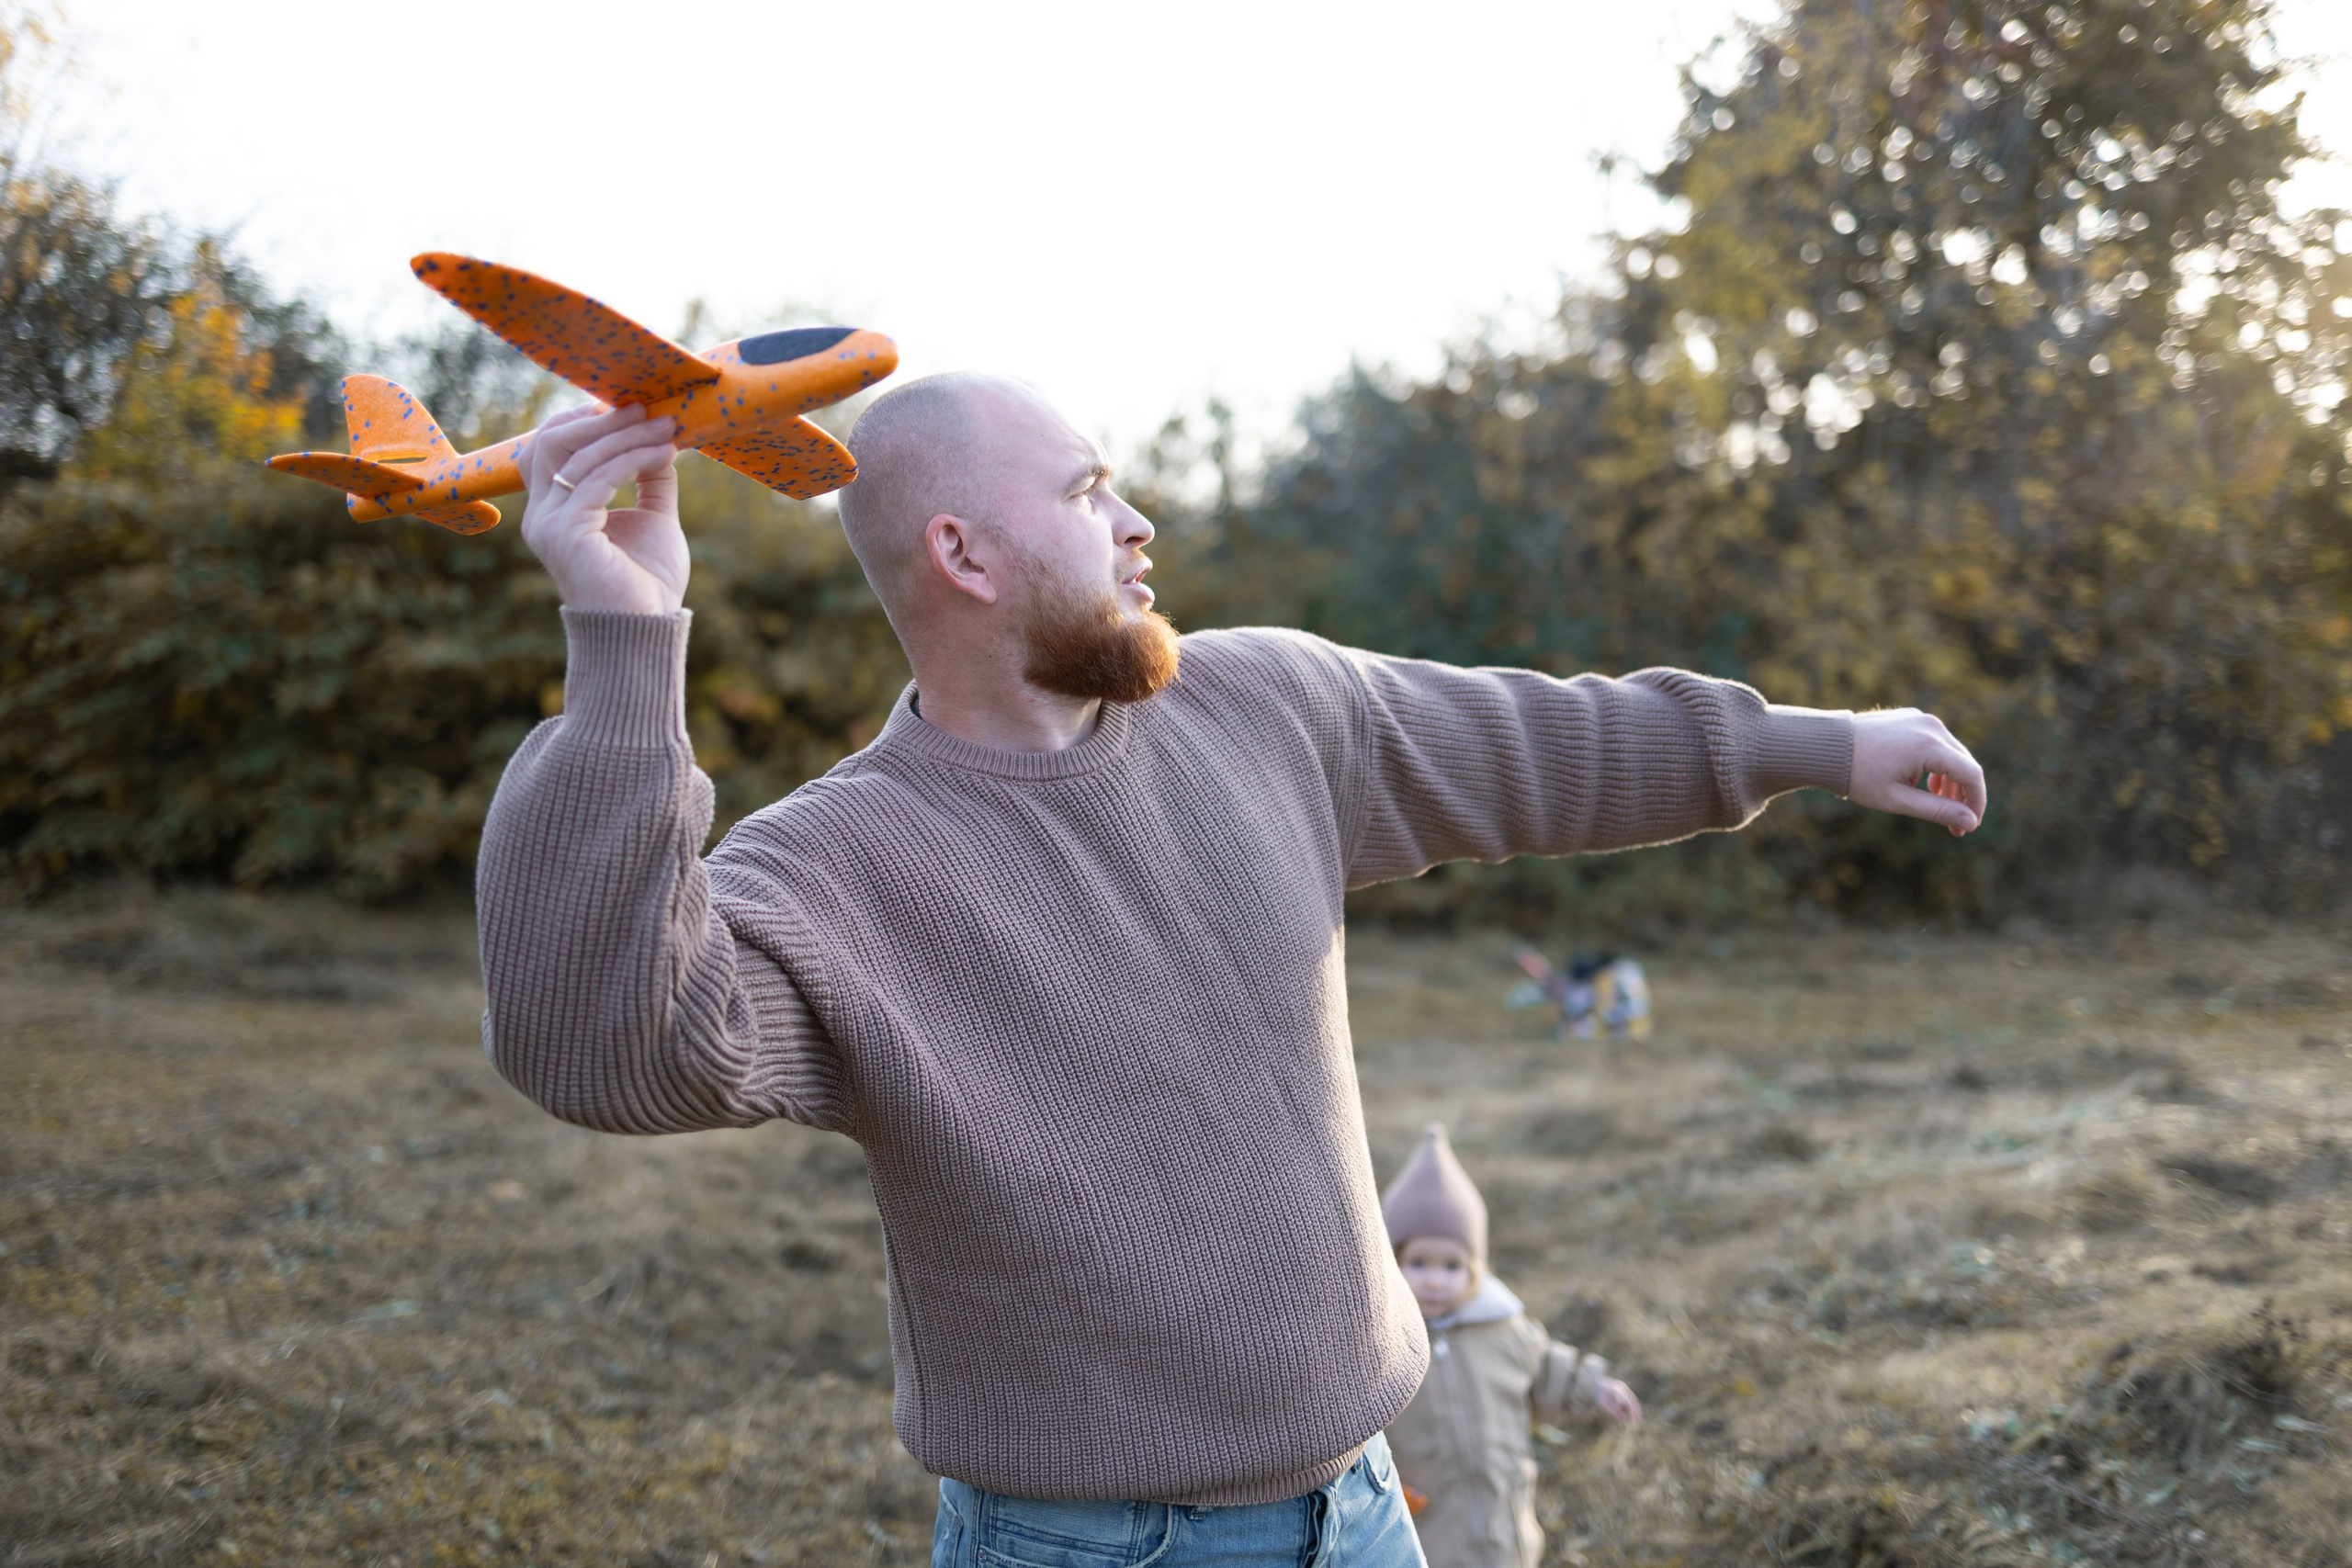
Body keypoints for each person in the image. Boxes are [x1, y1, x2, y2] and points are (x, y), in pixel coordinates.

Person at [475, 373, 1986, 1568]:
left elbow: (1543, 745)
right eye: (1089, 491)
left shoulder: (1260, 706)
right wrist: (624, 633)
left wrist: (1821, 744)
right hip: (1090, 1547)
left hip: (1366, 1508)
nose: (1139, 523)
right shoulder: (836, 871)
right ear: (965, 554)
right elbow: (606, 1044)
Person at [1380, 1125, 1637, 1568]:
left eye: (1453, 1265)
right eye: (1418, 1263)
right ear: (1390, 1262)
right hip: (1422, 1517)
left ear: (1476, 1270)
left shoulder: (1505, 1330)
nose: (1436, 1279)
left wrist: (1596, 1388)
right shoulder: (1383, 1341)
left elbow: (1549, 1370)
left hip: (1504, 1516)